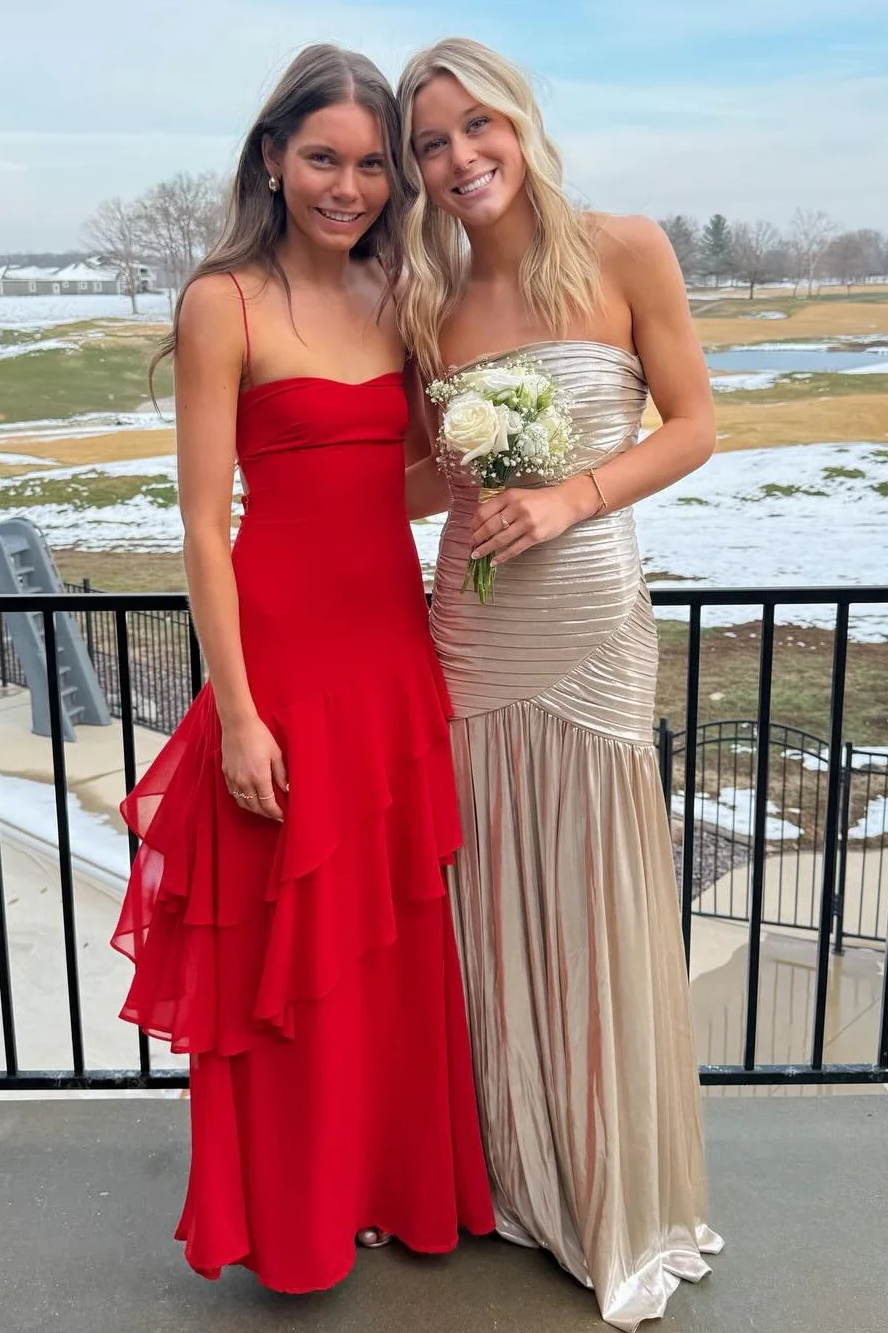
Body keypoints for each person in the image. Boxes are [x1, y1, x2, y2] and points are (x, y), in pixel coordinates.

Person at [111, 43, 493, 1293]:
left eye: (374, 165)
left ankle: (387, 1184)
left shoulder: (398, 292)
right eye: (325, 158)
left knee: (387, 941)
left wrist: (499, 459)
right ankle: (300, 1218)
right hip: (280, 663)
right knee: (291, 956)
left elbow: (399, 481)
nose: (350, 186)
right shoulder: (222, 300)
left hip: (390, 654)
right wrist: (236, 714)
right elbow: (200, 525)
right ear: (272, 157)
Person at [398, 37, 723, 1332]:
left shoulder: (625, 249)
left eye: (476, 125)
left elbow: (694, 425)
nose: (459, 157)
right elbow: (416, 483)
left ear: (521, 122)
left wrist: (572, 493)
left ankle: (611, 1192)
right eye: (431, 142)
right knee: (488, 898)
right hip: (472, 634)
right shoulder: (424, 302)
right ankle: (515, 1173)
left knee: (595, 895)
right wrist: (441, 472)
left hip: (591, 625)